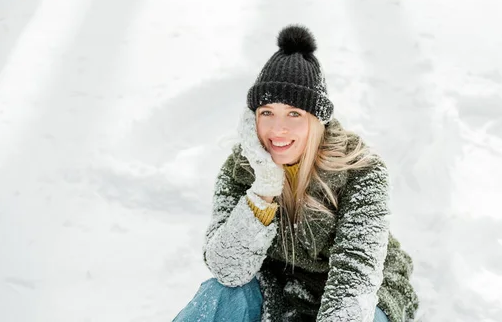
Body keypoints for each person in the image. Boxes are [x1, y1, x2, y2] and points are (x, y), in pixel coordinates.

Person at [172, 25, 419, 322]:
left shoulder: (362, 172)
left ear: (317, 120)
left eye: (293, 113)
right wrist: (262, 191)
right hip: (279, 287)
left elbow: (355, 279)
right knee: (219, 293)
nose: (278, 129)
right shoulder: (240, 170)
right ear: (251, 121)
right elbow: (228, 270)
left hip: (363, 295)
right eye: (267, 113)